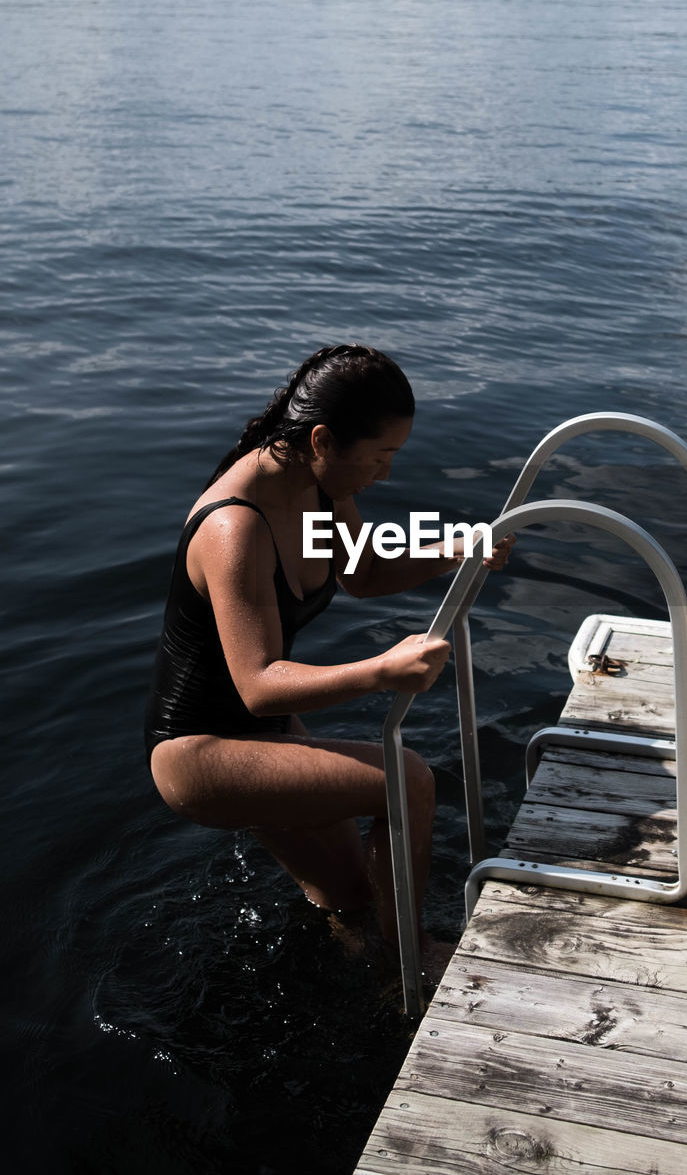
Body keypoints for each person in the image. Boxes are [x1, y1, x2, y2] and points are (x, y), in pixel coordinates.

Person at [144, 344, 513, 976]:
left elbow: (363, 572)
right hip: (199, 751)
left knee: (351, 898)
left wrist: (455, 549)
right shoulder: (236, 528)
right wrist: (380, 670)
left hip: (261, 736)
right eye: (380, 455)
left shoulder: (317, 484)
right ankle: (416, 962)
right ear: (321, 439)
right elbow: (258, 683)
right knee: (408, 782)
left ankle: (365, 984)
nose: (387, 474)